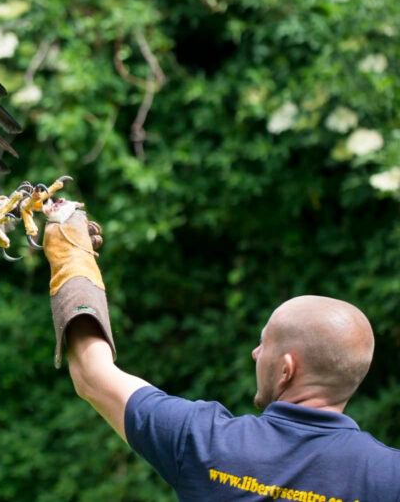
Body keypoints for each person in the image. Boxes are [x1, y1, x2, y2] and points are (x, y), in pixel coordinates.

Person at [41, 201, 400, 501]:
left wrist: (69, 258)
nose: (256, 354)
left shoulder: (205, 442)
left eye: (266, 345)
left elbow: (92, 372)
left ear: (287, 369)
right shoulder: (389, 476)